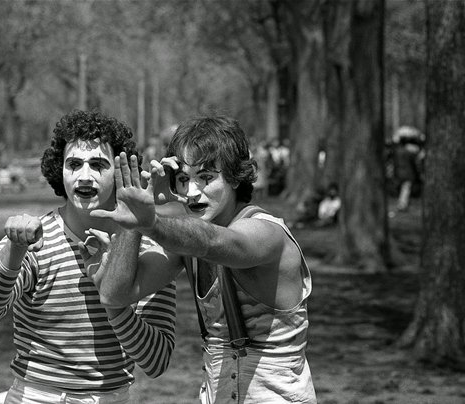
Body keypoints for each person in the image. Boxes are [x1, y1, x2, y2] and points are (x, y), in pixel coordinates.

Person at [91, 116, 317, 403]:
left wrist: (151, 223)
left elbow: (213, 241)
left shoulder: (267, 233)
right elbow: (114, 295)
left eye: (206, 177)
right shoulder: (185, 242)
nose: (193, 191)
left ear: (235, 176)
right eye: (184, 179)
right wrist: (132, 220)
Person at [0, 110, 176, 404]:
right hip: (35, 396)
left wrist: (113, 294)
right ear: (59, 170)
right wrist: (14, 252)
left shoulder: (144, 250)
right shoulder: (32, 239)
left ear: (119, 174)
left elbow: (156, 362)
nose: (85, 175)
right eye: (74, 164)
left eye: (98, 164)